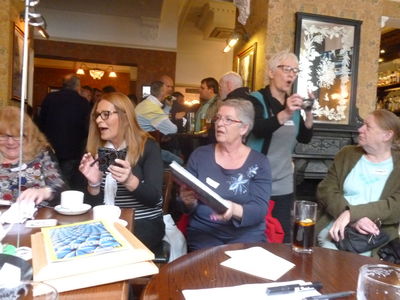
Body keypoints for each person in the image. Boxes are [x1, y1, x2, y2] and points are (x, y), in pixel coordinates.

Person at [180, 99, 272, 251]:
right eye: (218, 118)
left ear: (243, 128)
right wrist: (187, 202)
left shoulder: (259, 162)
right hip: (204, 234)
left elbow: (259, 210)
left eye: (228, 119)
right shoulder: (199, 156)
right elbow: (184, 207)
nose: (219, 124)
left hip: (246, 236)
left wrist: (233, 209)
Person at [79, 92, 165, 251]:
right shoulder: (98, 150)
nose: (98, 120)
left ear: (125, 117)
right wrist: (94, 184)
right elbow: (93, 207)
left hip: (143, 222)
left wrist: (130, 181)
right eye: (97, 115)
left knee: (110, 247)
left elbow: (155, 200)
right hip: (106, 223)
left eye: (105, 114)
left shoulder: (148, 147)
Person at [247, 50, 313, 243]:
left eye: (295, 70)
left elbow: (304, 137)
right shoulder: (255, 100)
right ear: (271, 72)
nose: (291, 74)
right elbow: (258, 129)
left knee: (282, 236)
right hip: (256, 181)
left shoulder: (292, 103)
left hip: (283, 182)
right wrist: (286, 112)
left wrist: (308, 113)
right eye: (287, 69)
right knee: (255, 235)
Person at [316, 109, 400, 256]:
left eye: (368, 126)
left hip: (375, 240)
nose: (360, 129)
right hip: (336, 231)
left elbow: (395, 205)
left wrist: (352, 214)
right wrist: (350, 217)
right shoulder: (347, 154)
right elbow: (326, 190)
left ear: (387, 135)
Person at [0, 106, 65, 204]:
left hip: (38, 217)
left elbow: (61, 189)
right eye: (3, 136)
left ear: (28, 136)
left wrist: (45, 192)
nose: (10, 142)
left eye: (18, 136)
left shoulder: (40, 153)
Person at [38, 74, 91, 191]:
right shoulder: (83, 102)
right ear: (77, 87)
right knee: (67, 183)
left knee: (49, 181)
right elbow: (87, 128)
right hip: (72, 150)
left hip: (50, 148)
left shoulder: (50, 98)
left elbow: (40, 123)